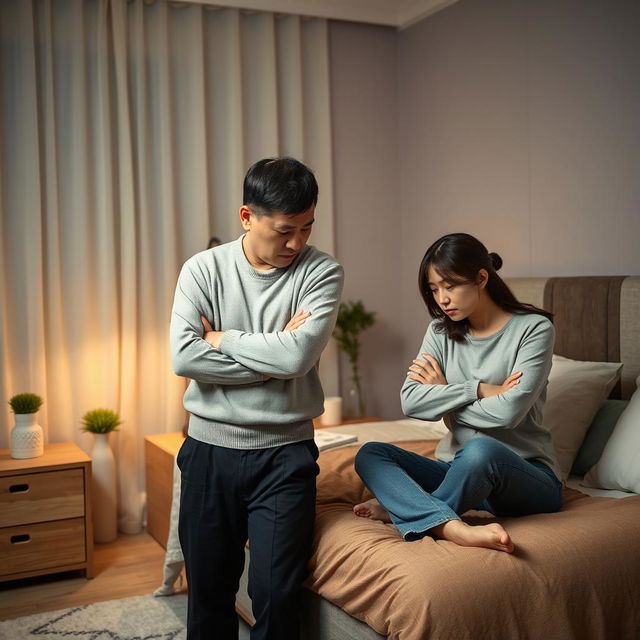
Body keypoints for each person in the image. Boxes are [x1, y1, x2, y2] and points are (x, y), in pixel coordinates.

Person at [170, 157, 344, 640]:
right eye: (285, 230)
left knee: (277, 597)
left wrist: (222, 338)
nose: (297, 243)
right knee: (208, 597)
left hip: (285, 458)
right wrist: (271, 367)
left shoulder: (322, 272)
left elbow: (297, 359)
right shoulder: (203, 270)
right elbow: (185, 358)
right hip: (208, 453)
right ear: (247, 217)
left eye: (307, 228)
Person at [353, 232, 562, 553]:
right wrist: (477, 388)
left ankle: (416, 512)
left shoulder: (533, 329)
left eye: (450, 286)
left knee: (481, 449)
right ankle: (446, 522)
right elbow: (410, 402)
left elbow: (508, 413)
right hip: (458, 471)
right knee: (371, 453)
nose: (442, 299)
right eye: (434, 289)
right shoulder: (440, 331)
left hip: (525, 476)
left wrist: (442, 394)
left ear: (481, 278)